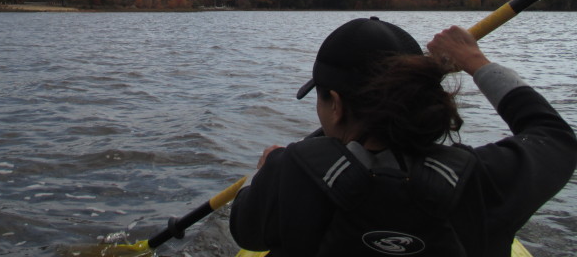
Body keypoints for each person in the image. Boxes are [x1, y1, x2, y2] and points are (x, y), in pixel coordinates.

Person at [230, 17, 577, 256]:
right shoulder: (484, 178)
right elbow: (553, 135)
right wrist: (475, 61)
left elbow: (245, 231)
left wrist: (263, 174)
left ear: (335, 104)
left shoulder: (289, 171)